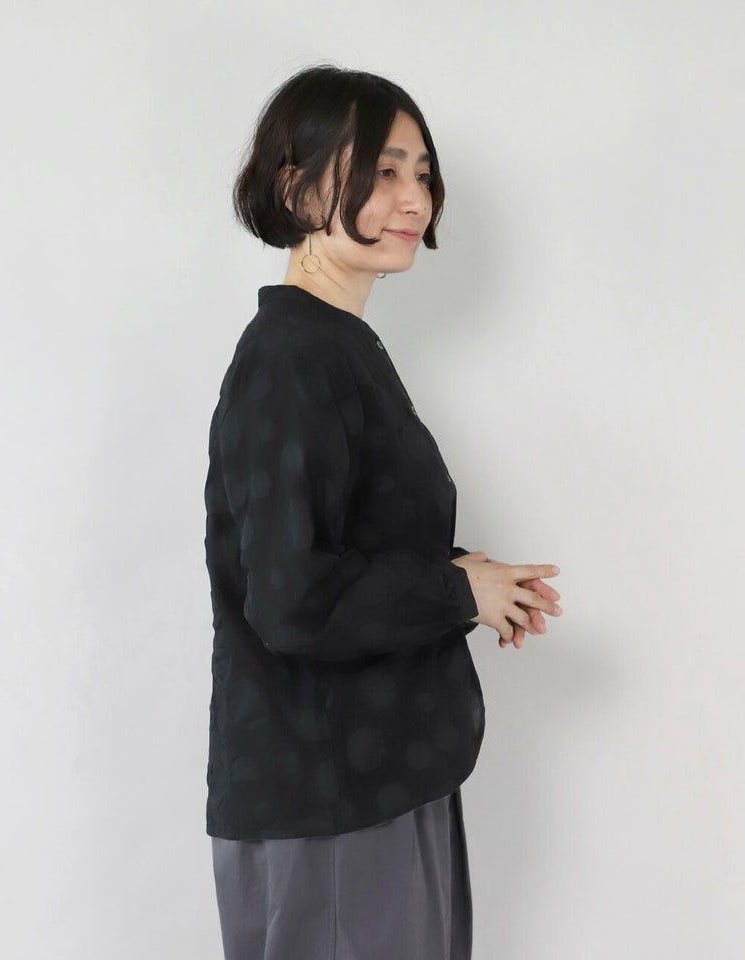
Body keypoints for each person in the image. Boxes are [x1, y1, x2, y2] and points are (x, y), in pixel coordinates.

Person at [203, 63, 562, 960]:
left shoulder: (336, 347)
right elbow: (291, 597)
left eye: (422, 172)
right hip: (331, 802)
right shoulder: (293, 357)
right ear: (297, 187)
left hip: (367, 782)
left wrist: (467, 579)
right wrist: (454, 593)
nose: (413, 198)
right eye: (381, 170)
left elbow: (340, 550)